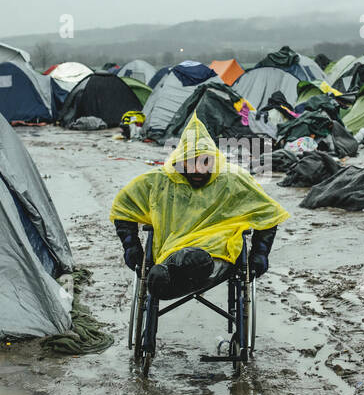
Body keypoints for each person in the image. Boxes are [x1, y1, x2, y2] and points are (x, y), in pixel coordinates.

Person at [110, 115, 288, 299]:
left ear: (213, 159)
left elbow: (268, 214)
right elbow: (124, 207)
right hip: (170, 251)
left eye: (205, 161)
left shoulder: (233, 180)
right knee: (178, 265)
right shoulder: (158, 181)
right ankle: (170, 274)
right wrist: (132, 248)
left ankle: (174, 272)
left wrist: (260, 254)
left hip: (218, 253)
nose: (198, 169)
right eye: (191, 161)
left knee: (197, 261)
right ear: (180, 160)